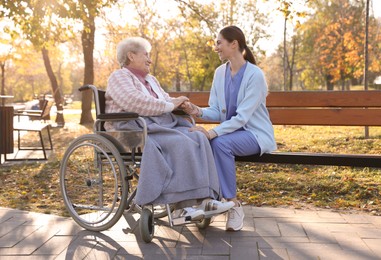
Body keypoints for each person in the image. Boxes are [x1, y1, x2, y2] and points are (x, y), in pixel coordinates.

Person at [104, 36, 234, 221]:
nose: (150, 59)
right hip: (131, 131)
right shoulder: (119, 76)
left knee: (198, 137)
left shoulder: (151, 80)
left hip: (157, 126)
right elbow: (135, 102)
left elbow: (165, 100)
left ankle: (206, 199)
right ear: (131, 56)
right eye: (146, 55)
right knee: (179, 142)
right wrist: (170, 105)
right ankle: (182, 209)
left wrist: (181, 104)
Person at [182, 26, 277, 231]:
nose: (216, 48)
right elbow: (217, 110)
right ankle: (210, 200)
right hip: (232, 134)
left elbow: (242, 118)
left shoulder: (255, 75)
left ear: (233, 44)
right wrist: (196, 110)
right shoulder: (220, 73)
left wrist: (212, 132)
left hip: (255, 134)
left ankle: (233, 205)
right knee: (208, 141)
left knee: (218, 142)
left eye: (219, 43)